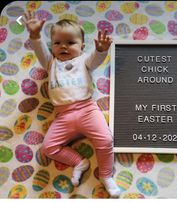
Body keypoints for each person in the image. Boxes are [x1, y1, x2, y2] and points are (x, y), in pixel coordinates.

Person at [23, 11, 121, 198]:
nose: (63, 47)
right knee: (48, 147)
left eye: (70, 43)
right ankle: (79, 162)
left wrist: (101, 50)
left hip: (87, 110)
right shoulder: (50, 62)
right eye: (58, 43)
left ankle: (106, 175)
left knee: (106, 140)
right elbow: (40, 50)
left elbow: (95, 60)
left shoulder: (83, 60)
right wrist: (35, 35)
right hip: (63, 116)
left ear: (82, 47)